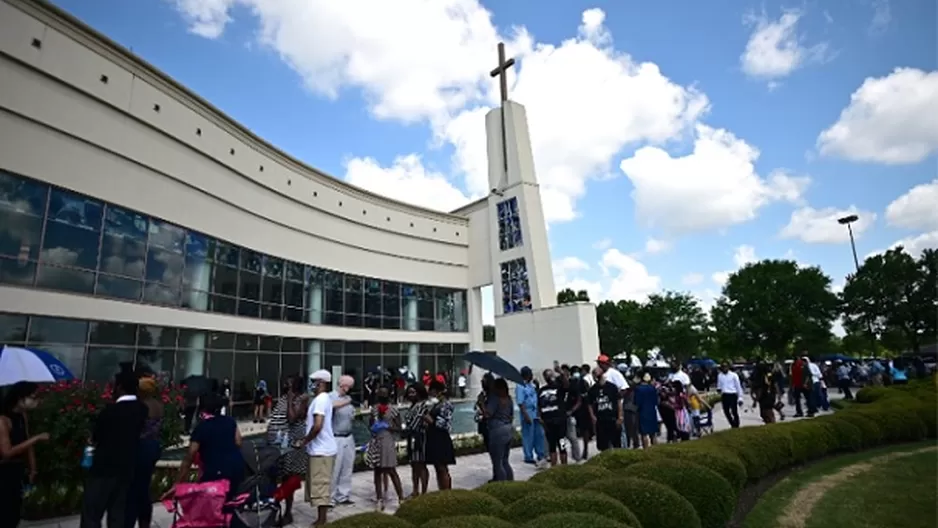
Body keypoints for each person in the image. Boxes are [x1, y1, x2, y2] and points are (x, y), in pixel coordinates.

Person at [82, 372, 148, 528]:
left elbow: (97, 436)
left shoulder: (110, 411)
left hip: (104, 467)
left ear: (119, 387)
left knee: (92, 512)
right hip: (126, 467)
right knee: (117, 513)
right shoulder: (141, 409)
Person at [166, 392, 242, 501]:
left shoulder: (202, 427)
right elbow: (239, 442)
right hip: (236, 469)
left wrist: (177, 483)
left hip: (215, 473)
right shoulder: (230, 421)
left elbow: (190, 455)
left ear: (203, 409)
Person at [0, 382, 49, 528]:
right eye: (32, 397)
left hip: (17, 470)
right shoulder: (3, 420)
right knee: (4, 512)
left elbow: (27, 444)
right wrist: (37, 438)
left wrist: (33, 469)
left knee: (14, 511)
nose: (36, 401)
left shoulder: (22, 416)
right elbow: (7, 452)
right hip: (3, 472)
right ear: (20, 398)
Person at [291, 370, 336, 527]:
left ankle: (322, 521)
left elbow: (318, 425)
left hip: (321, 450)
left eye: (313, 381)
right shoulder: (319, 399)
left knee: (320, 486)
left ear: (321, 383)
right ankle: (320, 518)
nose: (311, 384)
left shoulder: (321, 400)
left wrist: (304, 441)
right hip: (319, 449)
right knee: (317, 486)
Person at [266, 376, 308, 524]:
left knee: (288, 478)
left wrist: (290, 399)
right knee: (273, 477)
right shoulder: (283, 398)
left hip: (291, 445)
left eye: (289, 382)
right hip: (277, 444)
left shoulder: (302, 398)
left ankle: (287, 513)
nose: (286, 384)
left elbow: (292, 418)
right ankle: (273, 510)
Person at [125, 372, 165, 528]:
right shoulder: (159, 405)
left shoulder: (142, 406)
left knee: (134, 487)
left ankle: (130, 519)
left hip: (141, 447)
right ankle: (144, 521)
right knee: (144, 485)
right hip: (153, 446)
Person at [366, 388, 405, 511]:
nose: (381, 395)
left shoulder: (394, 410)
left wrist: (389, 427)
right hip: (377, 440)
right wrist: (374, 427)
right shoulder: (374, 409)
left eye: (384, 393)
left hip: (388, 440)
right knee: (377, 471)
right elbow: (370, 425)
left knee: (391, 470)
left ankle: (401, 498)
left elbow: (399, 428)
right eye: (380, 393)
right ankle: (379, 499)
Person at [329, 375, 356, 508]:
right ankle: (330, 498)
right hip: (336, 437)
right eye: (348, 386)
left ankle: (343, 495)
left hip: (348, 436)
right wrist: (346, 402)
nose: (349, 389)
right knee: (335, 468)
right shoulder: (330, 396)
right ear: (341, 384)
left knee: (347, 467)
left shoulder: (348, 399)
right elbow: (330, 407)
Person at [423, 381, 455, 490]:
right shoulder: (437, 404)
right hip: (433, 437)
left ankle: (447, 491)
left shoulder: (446, 404)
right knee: (437, 466)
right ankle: (441, 489)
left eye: (431, 390)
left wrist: (430, 421)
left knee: (442, 467)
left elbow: (445, 424)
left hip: (441, 438)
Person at [483, 378, 514, 481]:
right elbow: (511, 416)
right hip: (508, 429)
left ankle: (501, 485)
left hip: (497, 430)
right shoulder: (508, 398)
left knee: (497, 462)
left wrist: (481, 404)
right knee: (505, 460)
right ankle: (510, 482)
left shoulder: (495, 398)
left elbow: (488, 414)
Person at [404, 384, 430, 497]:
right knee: (414, 464)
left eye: (413, 392)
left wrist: (405, 430)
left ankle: (423, 491)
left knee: (421, 464)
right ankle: (415, 490)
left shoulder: (422, 406)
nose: (410, 395)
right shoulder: (413, 406)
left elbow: (416, 423)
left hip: (419, 438)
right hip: (412, 437)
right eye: (409, 392)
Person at [515, 367, 545, 466]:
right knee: (528, 435)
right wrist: (525, 415)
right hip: (527, 412)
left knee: (539, 434)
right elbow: (520, 402)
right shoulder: (520, 386)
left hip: (535, 412)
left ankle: (541, 453)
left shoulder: (531, 385)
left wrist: (537, 387)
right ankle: (528, 456)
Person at [537, 370, 568, 467]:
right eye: (547, 376)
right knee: (552, 446)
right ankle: (554, 468)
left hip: (560, 422)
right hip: (548, 422)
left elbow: (566, 385)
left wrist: (561, 373)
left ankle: (564, 467)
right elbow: (539, 405)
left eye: (550, 375)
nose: (549, 377)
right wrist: (540, 417)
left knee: (562, 445)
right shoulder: (542, 390)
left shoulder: (559, 387)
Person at [587, 367, 622, 451]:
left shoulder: (612, 387)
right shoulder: (592, 390)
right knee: (603, 445)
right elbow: (590, 404)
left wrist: (620, 416)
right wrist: (592, 416)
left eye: (599, 376)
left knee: (616, 443)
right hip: (600, 420)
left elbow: (618, 402)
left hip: (612, 418)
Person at [633, 373, 659, 448]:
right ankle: (656, 450)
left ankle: (646, 451)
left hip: (642, 412)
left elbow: (637, 402)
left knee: (644, 434)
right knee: (653, 434)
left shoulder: (638, 389)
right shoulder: (652, 388)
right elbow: (656, 401)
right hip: (652, 411)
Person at [716, 362, 744, 428]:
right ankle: (732, 423)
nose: (724, 368)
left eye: (725, 367)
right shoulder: (720, 375)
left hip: (732, 394)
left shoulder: (734, 375)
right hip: (724, 395)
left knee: (734, 411)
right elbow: (719, 385)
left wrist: (740, 397)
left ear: (728, 367)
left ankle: (736, 424)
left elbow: (738, 386)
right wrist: (718, 389)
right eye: (723, 367)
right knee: (726, 411)